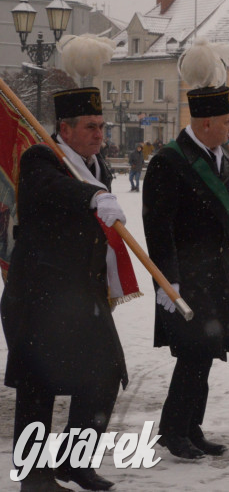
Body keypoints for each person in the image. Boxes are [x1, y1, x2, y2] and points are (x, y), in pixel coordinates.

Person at [2, 87, 129, 491]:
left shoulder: (96, 165)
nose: (99, 134)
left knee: (105, 373)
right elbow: (49, 188)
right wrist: (93, 196)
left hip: (81, 293)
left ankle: (75, 462)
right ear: (65, 129)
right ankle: (34, 477)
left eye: (101, 126)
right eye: (90, 127)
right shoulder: (41, 158)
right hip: (38, 292)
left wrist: (95, 190)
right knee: (39, 383)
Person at [143, 75, 229, 461]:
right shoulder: (169, 161)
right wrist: (167, 279)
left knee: (207, 352)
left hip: (215, 274)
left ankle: (190, 427)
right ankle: (174, 431)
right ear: (206, 122)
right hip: (185, 277)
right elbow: (157, 227)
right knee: (194, 352)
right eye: (226, 121)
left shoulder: (219, 157)